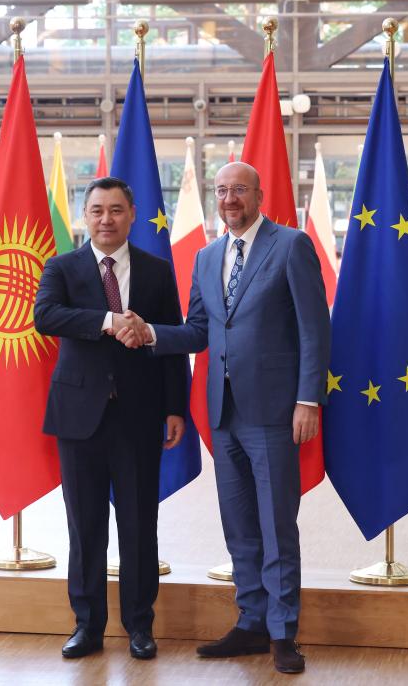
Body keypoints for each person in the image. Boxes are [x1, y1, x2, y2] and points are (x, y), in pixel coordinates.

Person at [117, 161, 330, 674]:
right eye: (221, 191)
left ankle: (284, 633)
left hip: (276, 411)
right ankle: (251, 620)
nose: (229, 198)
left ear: (259, 194)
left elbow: (314, 329)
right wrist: (152, 334)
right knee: (238, 525)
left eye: (238, 190)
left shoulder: (291, 246)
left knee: (278, 524)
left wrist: (309, 399)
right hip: (223, 413)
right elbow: (197, 329)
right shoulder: (208, 257)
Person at [33, 176, 188, 661]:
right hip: (79, 418)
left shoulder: (158, 272)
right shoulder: (61, 267)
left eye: (116, 210)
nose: (106, 219)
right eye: (97, 210)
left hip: (139, 417)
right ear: (85, 216)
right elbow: (46, 316)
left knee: (140, 523)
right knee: (86, 525)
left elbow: (172, 342)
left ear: (132, 214)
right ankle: (88, 625)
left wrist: (174, 407)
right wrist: (107, 321)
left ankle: (140, 625)